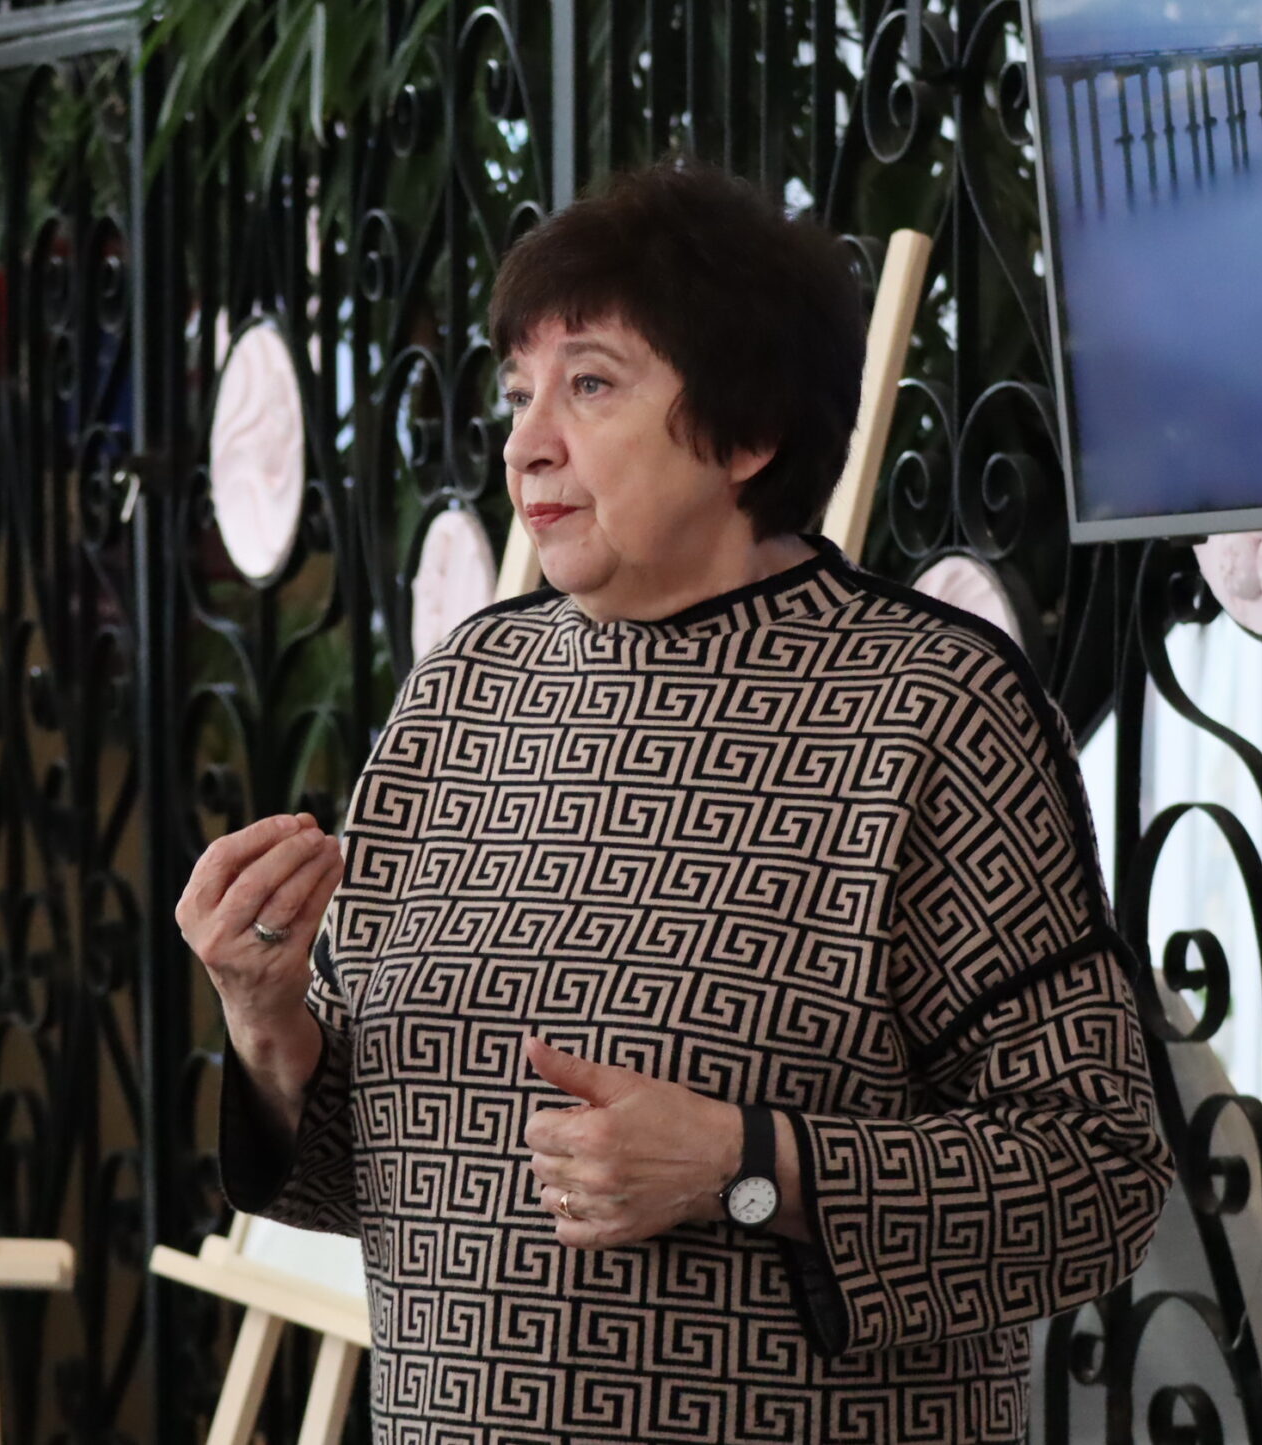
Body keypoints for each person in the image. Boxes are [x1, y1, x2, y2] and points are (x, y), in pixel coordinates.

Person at [175, 161, 1173, 1443]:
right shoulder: (462, 693)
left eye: (590, 385)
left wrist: (744, 1164)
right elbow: (375, 1179)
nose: (526, 441)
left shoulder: (931, 708)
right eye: (518, 392)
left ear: (749, 432)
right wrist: (267, 1023)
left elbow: (1097, 1175)